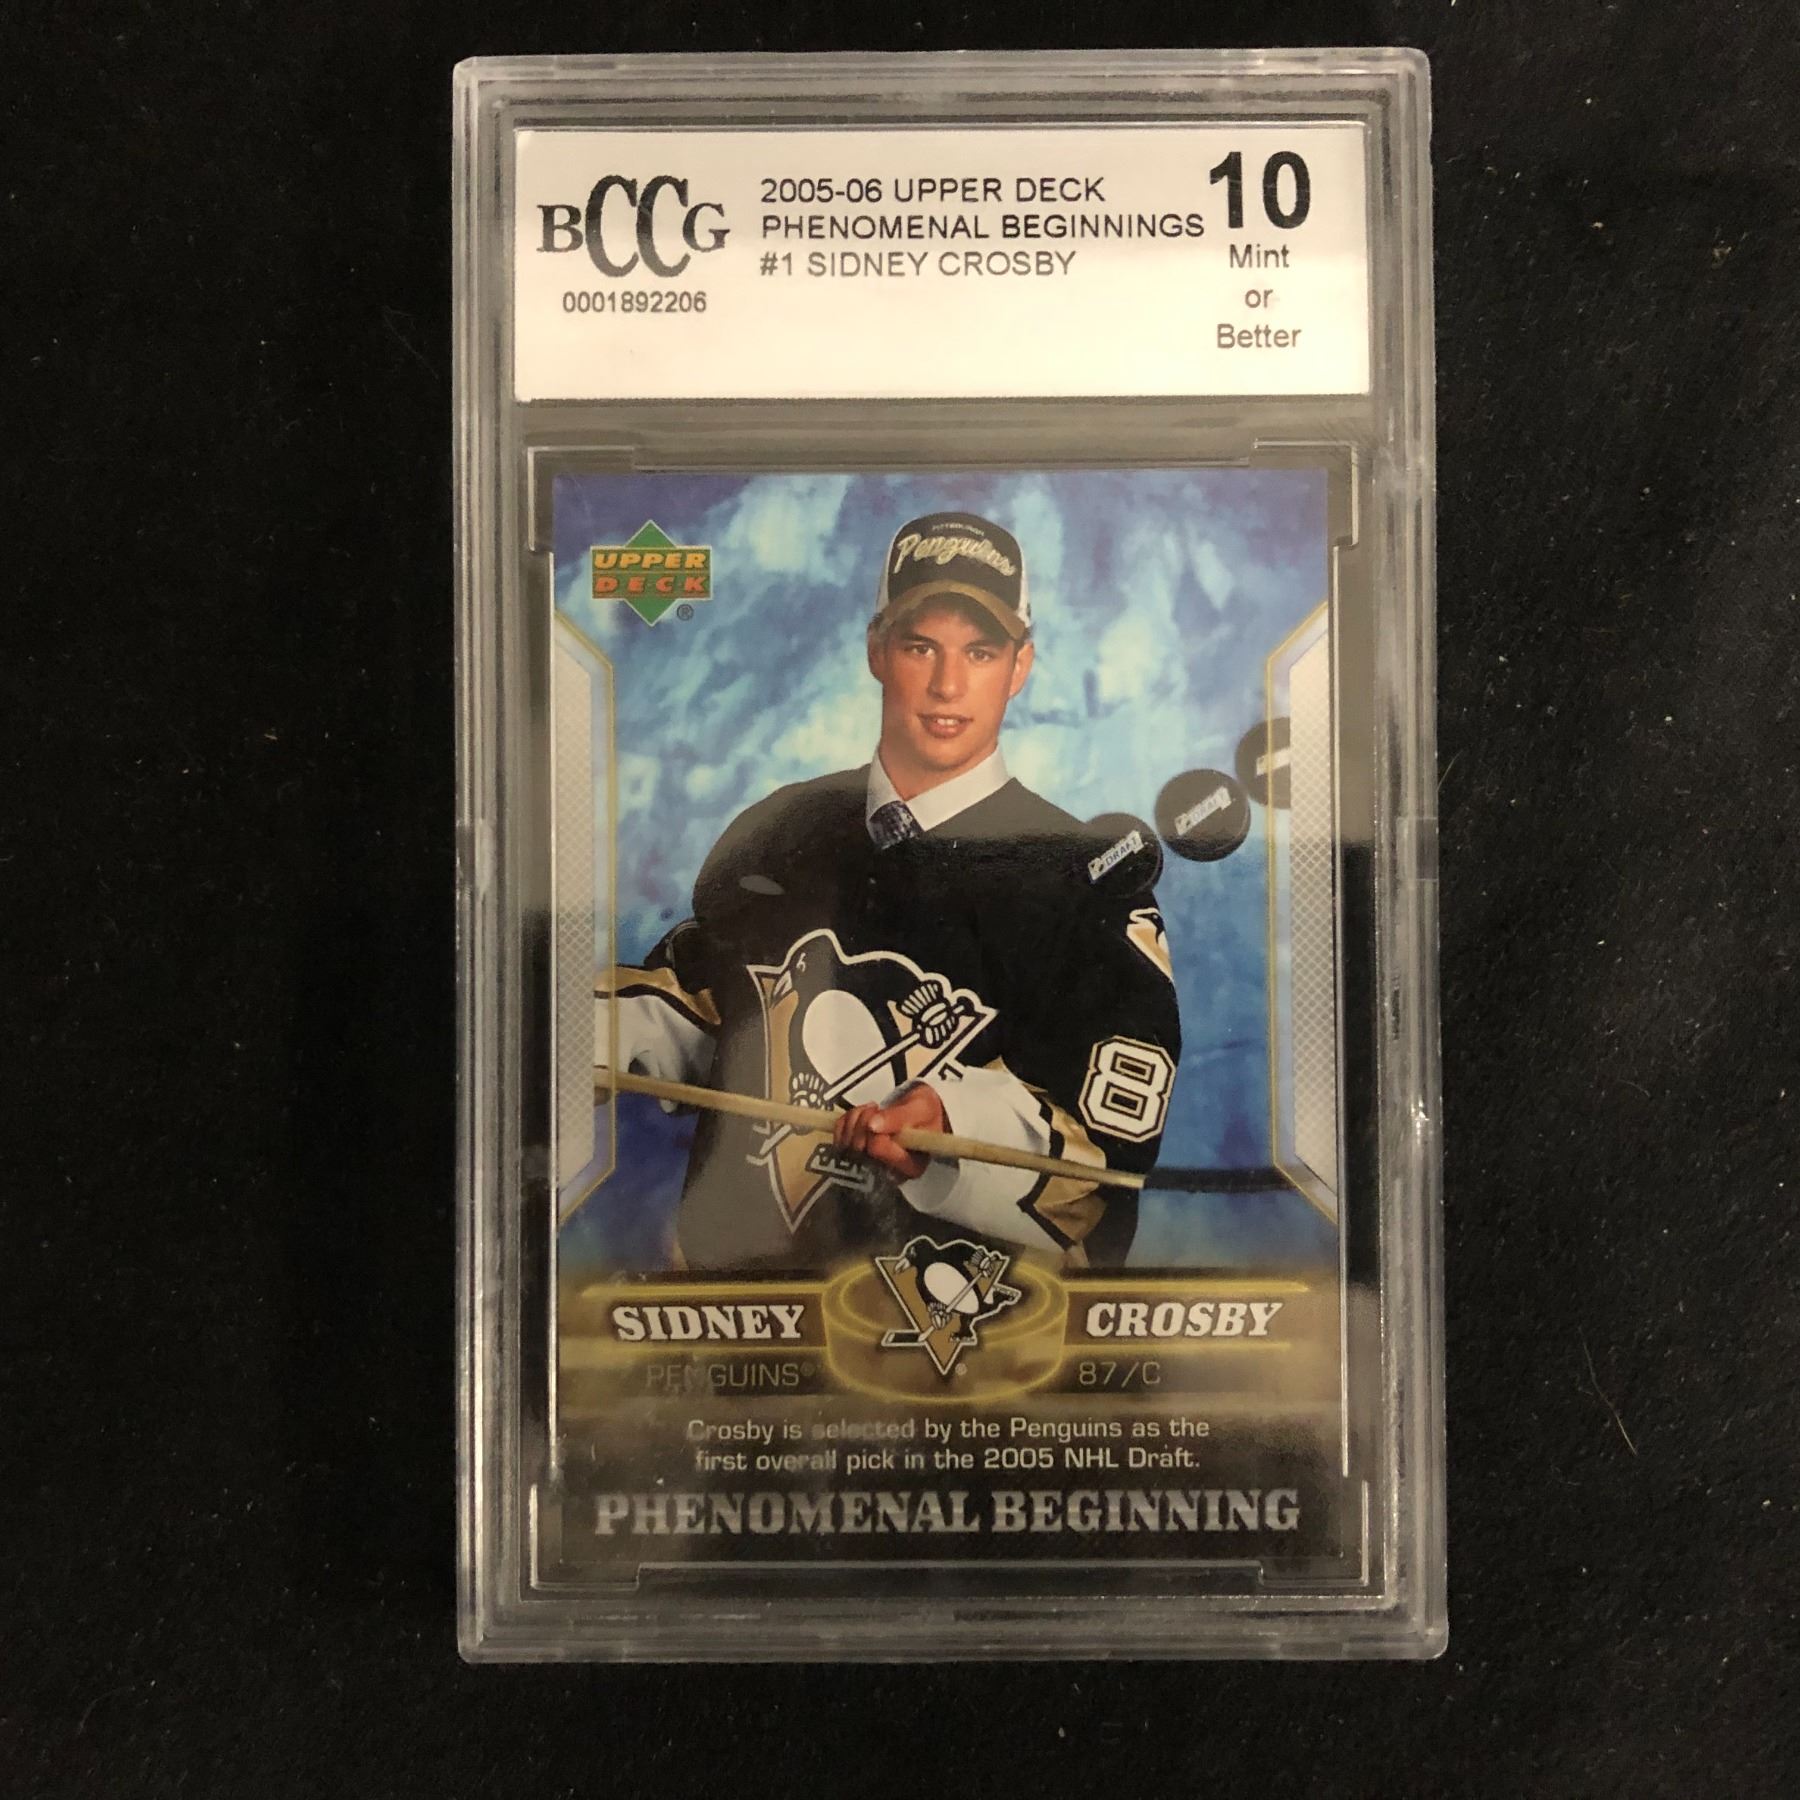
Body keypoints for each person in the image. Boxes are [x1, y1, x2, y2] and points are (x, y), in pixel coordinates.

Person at [597, 511, 1180, 1271]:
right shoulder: (784, 829)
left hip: (970, 1322)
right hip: (736, 1310)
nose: (947, 684)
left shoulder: (1087, 879)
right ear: (877, 651)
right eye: (920, 647)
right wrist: (577, 1038)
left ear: (1020, 666)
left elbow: (1104, 1155)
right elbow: (701, 1002)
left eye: (980, 651)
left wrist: (952, 1126)